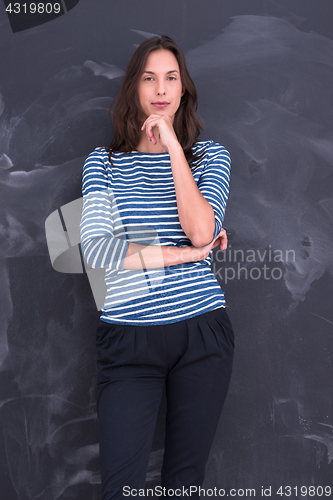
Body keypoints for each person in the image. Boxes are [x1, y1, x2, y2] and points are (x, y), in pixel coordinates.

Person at [80, 35, 234, 500]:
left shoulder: (210, 157)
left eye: (171, 78)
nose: (161, 89)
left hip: (202, 334)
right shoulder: (103, 164)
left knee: (184, 486)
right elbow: (97, 253)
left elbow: (202, 231)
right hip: (129, 340)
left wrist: (172, 150)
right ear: (134, 88)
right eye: (149, 78)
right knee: (120, 488)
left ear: (183, 90)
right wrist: (183, 256)